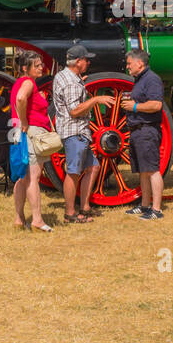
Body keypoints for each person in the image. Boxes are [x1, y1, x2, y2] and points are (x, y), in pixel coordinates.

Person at [51, 44, 116, 223]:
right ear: (78, 62)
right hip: (75, 132)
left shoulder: (64, 76)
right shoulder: (72, 82)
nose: (88, 62)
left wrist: (81, 85)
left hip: (77, 132)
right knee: (73, 173)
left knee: (93, 167)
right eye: (86, 59)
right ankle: (70, 213)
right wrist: (96, 99)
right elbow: (75, 110)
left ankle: (85, 206)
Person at [120, 47, 165, 220]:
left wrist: (135, 107)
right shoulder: (139, 79)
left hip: (147, 129)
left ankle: (157, 210)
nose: (127, 67)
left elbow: (156, 105)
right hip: (138, 130)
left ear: (140, 63)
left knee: (152, 170)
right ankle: (145, 205)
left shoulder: (152, 79)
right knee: (143, 171)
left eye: (129, 64)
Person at [10, 51, 51, 232]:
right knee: (33, 177)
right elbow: (21, 99)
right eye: (37, 65)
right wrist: (25, 121)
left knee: (22, 177)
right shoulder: (27, 82)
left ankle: (19, 219)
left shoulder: (19, 83)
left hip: (18, 132)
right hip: (30, 132)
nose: (41, 67)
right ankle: (37, 220)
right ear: (25, 68)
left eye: (41, 64)